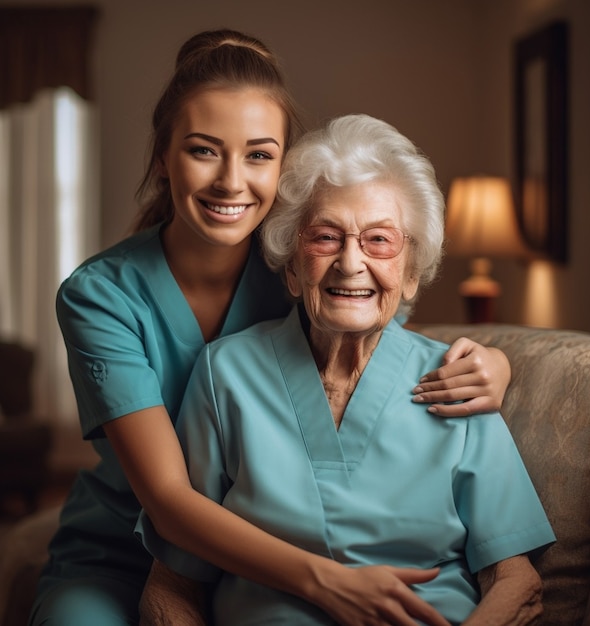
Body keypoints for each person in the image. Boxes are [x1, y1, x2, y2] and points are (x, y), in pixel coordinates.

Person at [30, 30, 513, 626]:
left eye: (259, 154)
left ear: (283, 166)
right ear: (163, 156)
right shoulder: (100, 296)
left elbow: (395, 330)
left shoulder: (307, 266)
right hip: (127, 550)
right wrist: (329, 582)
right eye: (204, 150)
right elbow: (170, 502)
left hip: (262, 559)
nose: (232, 181)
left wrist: (496, 364)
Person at [137, 114, 555, 626]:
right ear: (292, 267)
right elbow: (173, 580)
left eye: (379, 240)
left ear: (410, 276)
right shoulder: (226, 374)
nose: (351, 262)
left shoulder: (458, 378)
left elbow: (518, 582)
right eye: (326, 237)